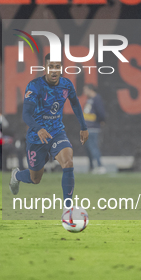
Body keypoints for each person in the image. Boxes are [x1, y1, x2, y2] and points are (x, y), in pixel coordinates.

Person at [9, 54, 88, 211]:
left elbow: (76, 104)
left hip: (57, 132)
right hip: (36, 137)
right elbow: (26, 114)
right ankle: (17, 176)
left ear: (61, 68)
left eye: (57, 67)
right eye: (50, 67)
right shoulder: (35, 86)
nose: (54, 70)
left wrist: (83, 126)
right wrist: (38, 129)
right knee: (35, 178)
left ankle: (67, 208)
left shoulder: (66, 85)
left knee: (68, 162)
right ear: (44, 68)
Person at [82, 84, 106, 174]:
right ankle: (92, 167)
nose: (84, 92)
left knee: (93, 147)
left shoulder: (97, 99)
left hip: (93, 127)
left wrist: (100, 121)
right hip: (87, 127)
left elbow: (101, 113)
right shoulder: (89, 100)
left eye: (85, 89)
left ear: (90, 89)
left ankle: (100, 166)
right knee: (88, 148)